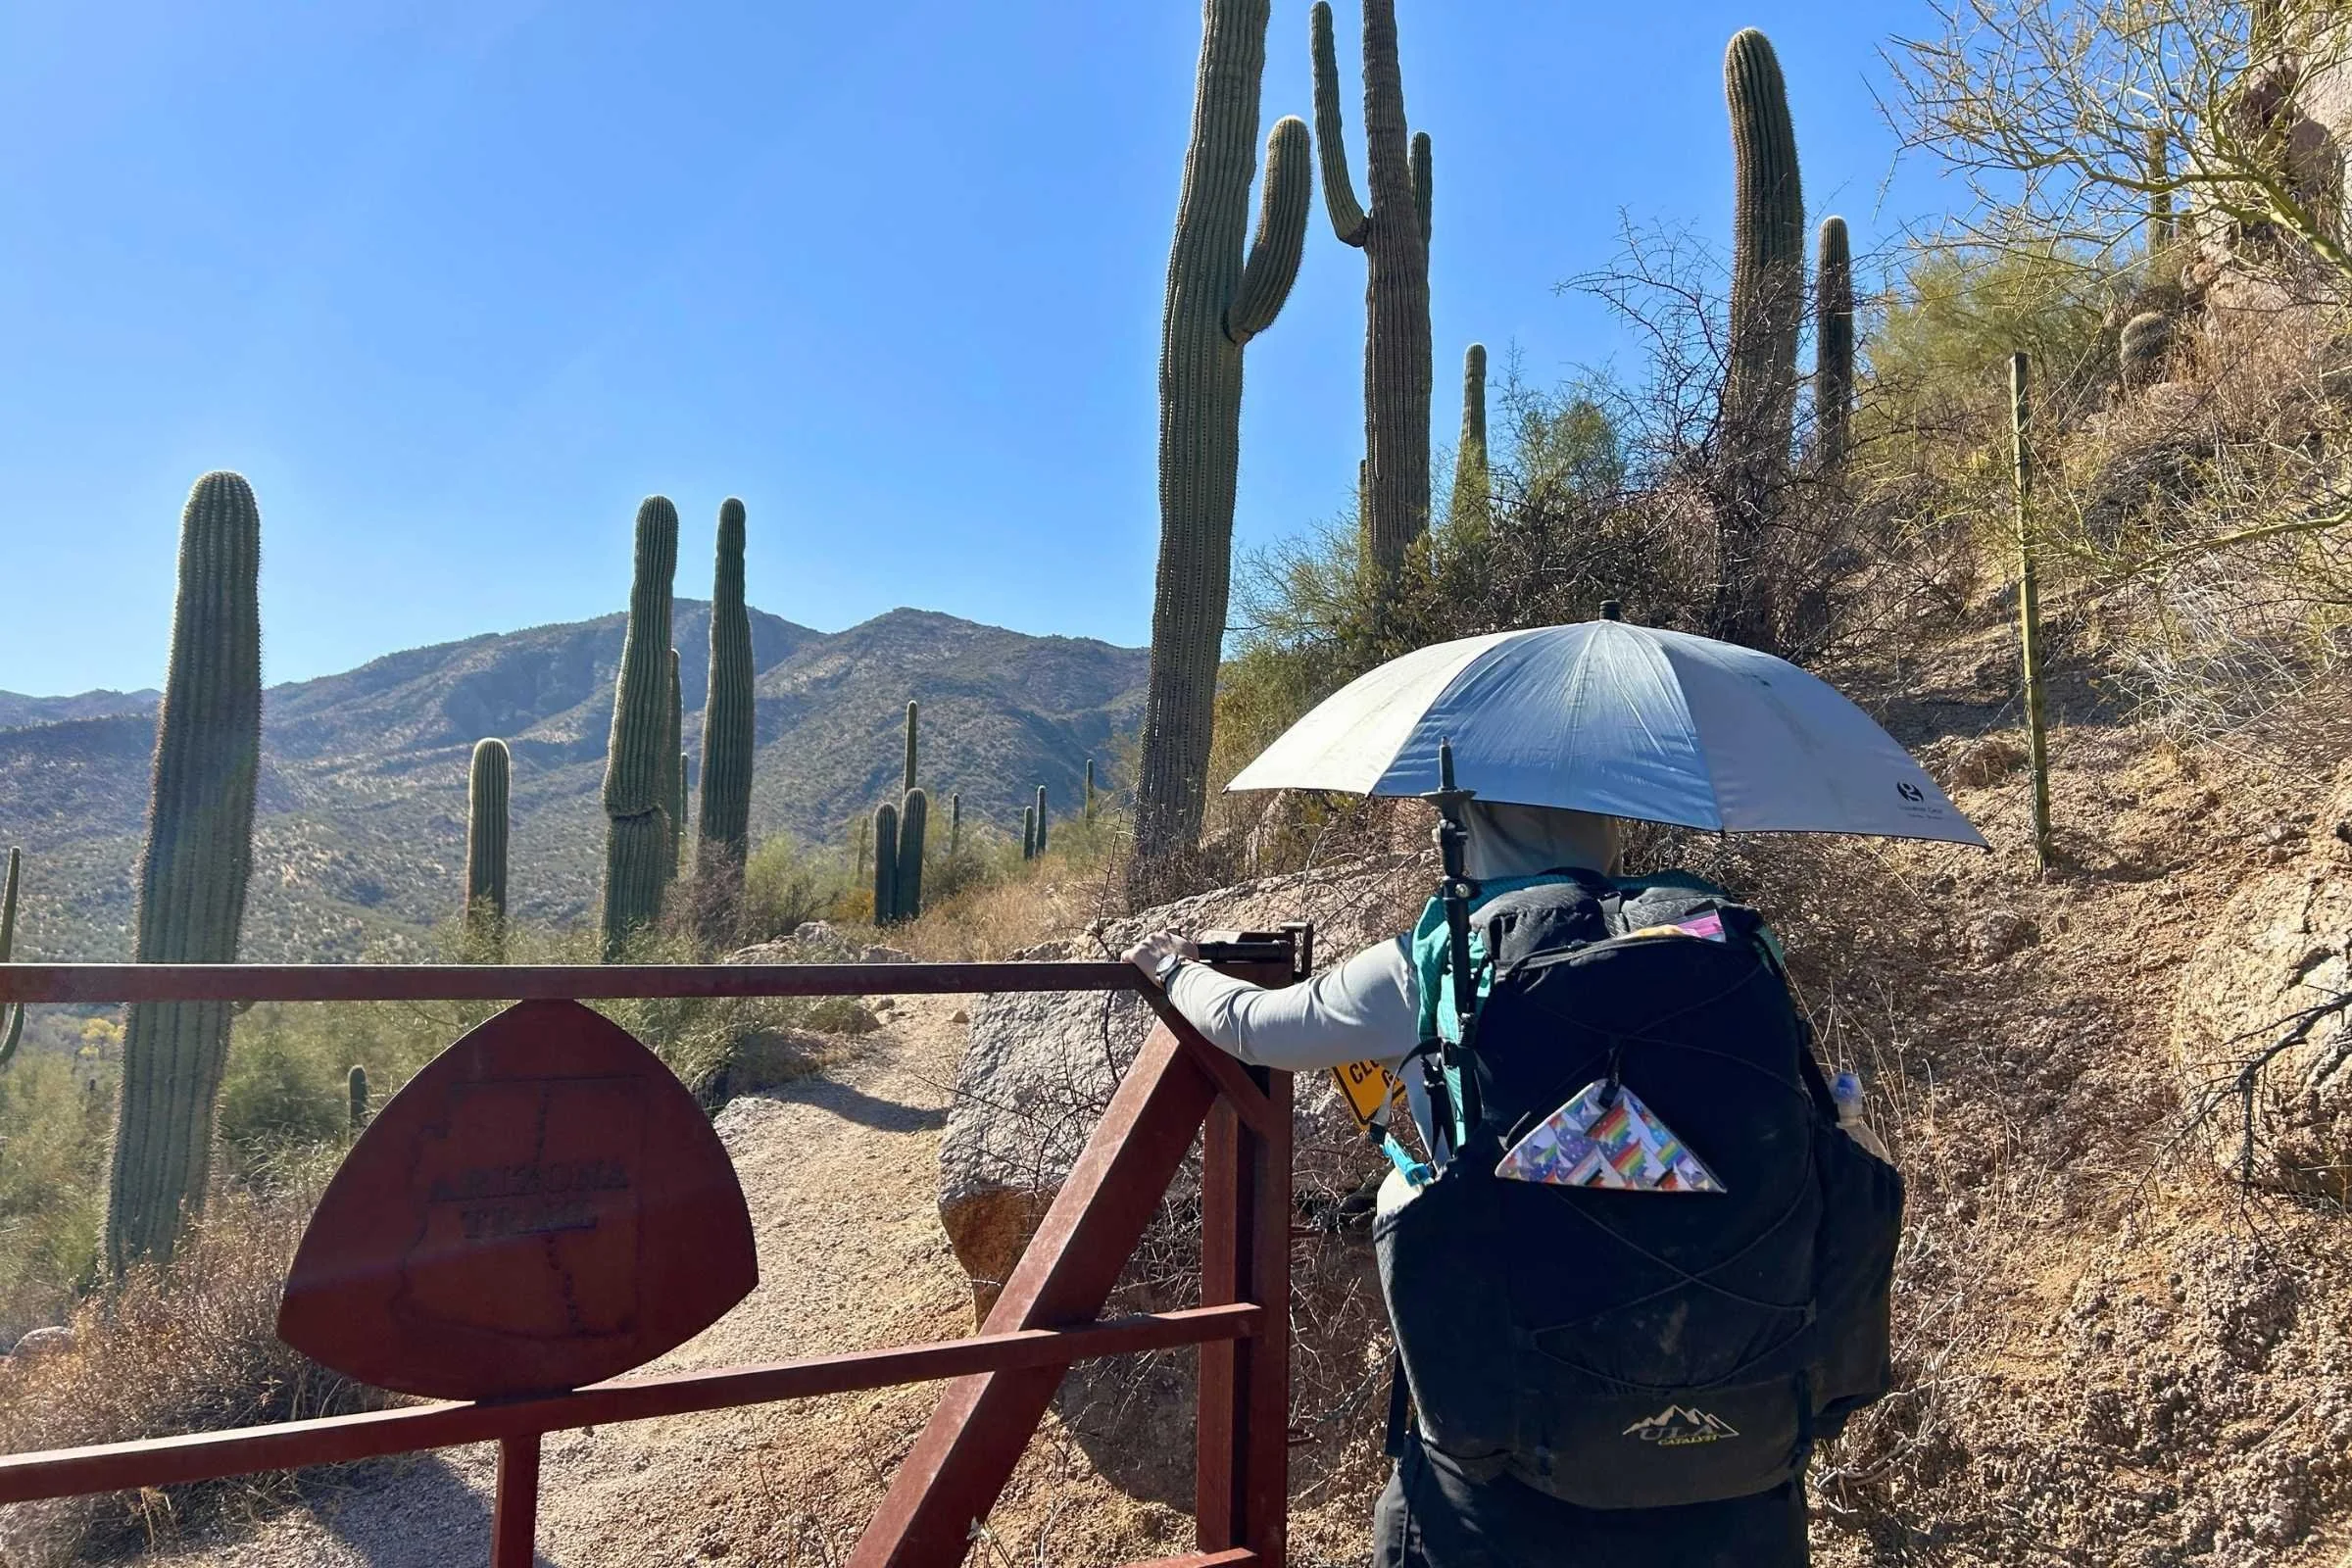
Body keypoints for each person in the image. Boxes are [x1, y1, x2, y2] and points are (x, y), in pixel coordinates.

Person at [1125, 802, 1894, 1568]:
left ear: (1469, 824)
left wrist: (1173, 969)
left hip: (1505, 1478)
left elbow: (1258, 1025)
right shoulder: (1722, 941)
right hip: (1742, 1463)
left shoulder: (1447, 958)